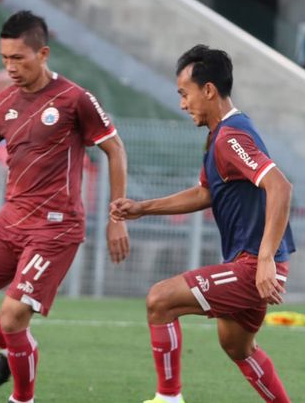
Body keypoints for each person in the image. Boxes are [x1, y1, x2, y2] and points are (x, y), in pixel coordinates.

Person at [0, 10, 130, 403]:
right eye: (5, 59)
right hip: (10, 221)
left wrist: (117, 217)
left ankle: (22, 397)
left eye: (19, 58)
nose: (10, 67)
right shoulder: (2, 104)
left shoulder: (74, 99)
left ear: (43, 53)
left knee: (13, 314)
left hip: (56, 227)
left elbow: (115, 150)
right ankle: (12, 347)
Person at [110, 45, 295, 403]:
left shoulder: (230, 137)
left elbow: (280, 187)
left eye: (184, 93)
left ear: (208, 90)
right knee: (237, 347)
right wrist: (142, 208)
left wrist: (266, 259)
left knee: (160, 300)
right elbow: (205, 193)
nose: (182, 104)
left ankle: (168, 399)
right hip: (249, 263)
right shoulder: (220, 136)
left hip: (253, 264)